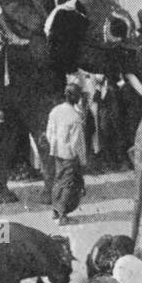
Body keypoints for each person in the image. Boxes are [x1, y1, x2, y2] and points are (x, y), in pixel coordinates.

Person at [46, 84, 89, 224]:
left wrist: (54, 146)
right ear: (76, 97)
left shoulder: (55, 111)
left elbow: (49, 132)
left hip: (57, 152)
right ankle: (63, 215)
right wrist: (82, 159)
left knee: (58, 180)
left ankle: (55, 210)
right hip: (70, 155)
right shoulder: (75, 117)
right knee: (69, 184)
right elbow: (78, 142)